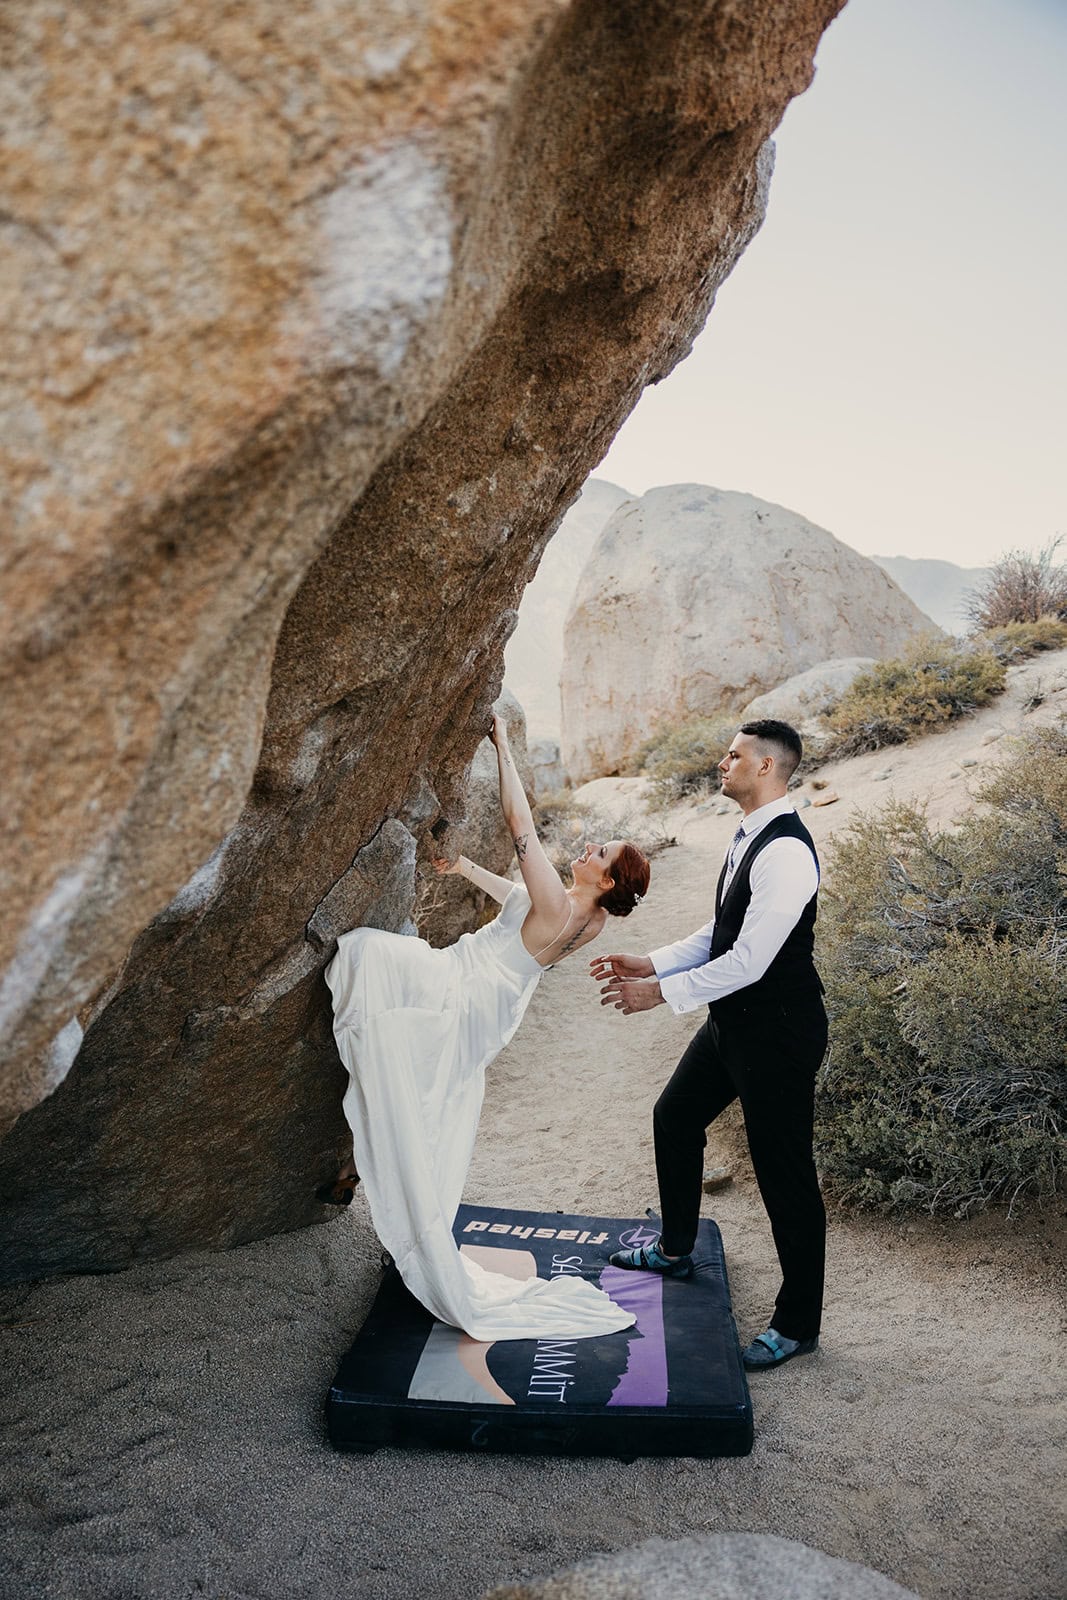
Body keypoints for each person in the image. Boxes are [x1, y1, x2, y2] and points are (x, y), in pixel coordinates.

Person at [326, 712, 650, 1343]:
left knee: (364, 953)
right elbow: (522, 901)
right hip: (494, 1002)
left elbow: (519, 824)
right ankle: (372, 1160)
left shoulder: (560, 903)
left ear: (607, 880)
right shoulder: (589, 920)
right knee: (427, 1088)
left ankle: (376, 1161)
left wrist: (503, 746)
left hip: (466, 985)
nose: (589, 848)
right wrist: (467, 869)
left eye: (600, 853)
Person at [591, 719, 828, 1372]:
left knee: (784, 1176)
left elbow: (751, 959)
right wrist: (654, 961)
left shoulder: (786, 851)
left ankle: (797, 1324)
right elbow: (724, 928)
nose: (722, 763)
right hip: (733, 1025)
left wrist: (659, 994)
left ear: (766, 767)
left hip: (778, 1035)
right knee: (674, 1117)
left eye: (734, 755)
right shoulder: (749, 833)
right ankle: (674, 1250)